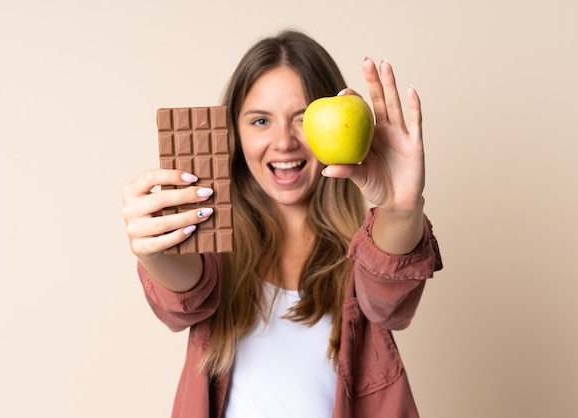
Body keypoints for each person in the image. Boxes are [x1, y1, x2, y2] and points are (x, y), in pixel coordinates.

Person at [122, 29, 443, 418]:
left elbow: (389, 306)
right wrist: (156, 248)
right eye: (260, 121)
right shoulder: (216, 242)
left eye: (304, 119)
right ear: (234, 135)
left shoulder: (367, 249)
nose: (284, 142)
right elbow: (184, 297)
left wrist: (400, 209)